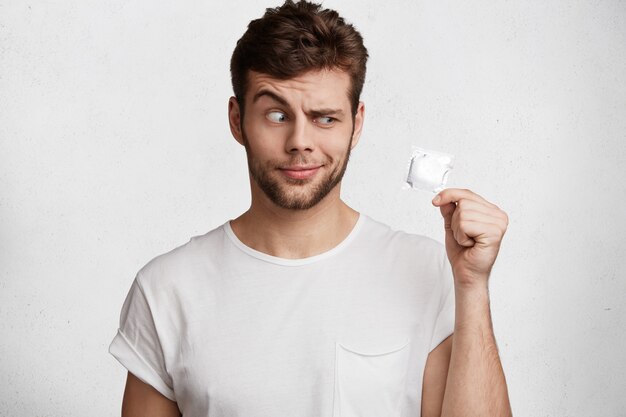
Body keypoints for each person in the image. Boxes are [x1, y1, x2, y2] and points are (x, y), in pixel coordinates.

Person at [109, 1, 513, 416]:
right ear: (237, 120)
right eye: (277, 114)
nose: (300, 141)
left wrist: (472, 286)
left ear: (356, 124)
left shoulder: (426, 271)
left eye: (324, 118)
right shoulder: (167, 289)